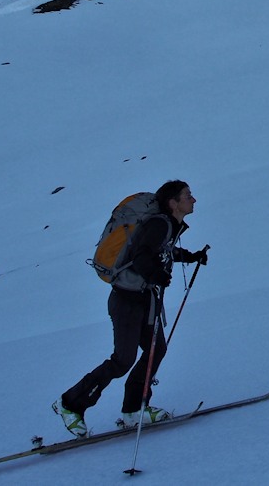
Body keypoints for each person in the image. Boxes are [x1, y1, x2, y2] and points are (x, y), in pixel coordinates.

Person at [53, 180, 206, 437]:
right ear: (173, 202)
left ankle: (134, 410)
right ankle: (70, 403)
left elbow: (162, 251)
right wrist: (154, 273)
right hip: (127, 300)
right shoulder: (159, 223)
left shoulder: (167, 225)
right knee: (123, 360)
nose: (193, 199)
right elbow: (141, 255)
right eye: (187, 195)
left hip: (143, 298)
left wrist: (191, 256)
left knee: (156, 349)